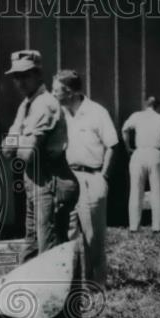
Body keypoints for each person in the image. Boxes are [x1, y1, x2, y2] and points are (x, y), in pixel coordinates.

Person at [1, 50, 79, 263]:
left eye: (25, 75)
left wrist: (17, 142)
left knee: (50, 253)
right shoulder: (26, 104)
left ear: (38, 75)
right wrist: (17, 142)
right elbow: (7, 149)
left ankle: (62, 296)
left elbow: (27, 153)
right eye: (16, 77)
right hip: (35, 182)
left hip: (50, 181)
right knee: (31, 249)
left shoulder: (44, 103)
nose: (20, 82)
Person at [52, 69, 119, 286]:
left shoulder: (97, 112)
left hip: (91, 178)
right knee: (67, 235)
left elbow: (112, 146)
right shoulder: (58, 113)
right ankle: (69, 286)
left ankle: (95, 286)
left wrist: (104, 177)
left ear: (69, 92)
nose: (53, 95)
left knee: (93, 238)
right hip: (66, 178)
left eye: (56, 91)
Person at [122, 96, 160, 232]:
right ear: (158, 106)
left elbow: (124, 130)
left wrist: (128, 146)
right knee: (157, 191)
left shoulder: (137, 116)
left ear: (145, 105)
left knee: (135, 191)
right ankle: (157, 227)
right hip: (154, 153)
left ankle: (134, 226)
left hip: (139, 153)